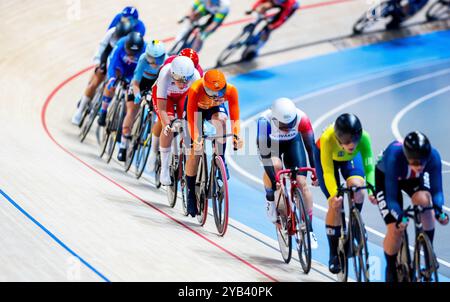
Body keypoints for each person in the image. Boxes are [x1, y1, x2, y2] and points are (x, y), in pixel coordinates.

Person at [375, 131, 449, 282]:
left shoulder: (433, 156)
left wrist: (439, 209)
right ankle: (390, 267)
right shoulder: (394, 157)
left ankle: (428, 252)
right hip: (387, 178)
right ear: (408, 158)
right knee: (395, 229)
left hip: (412, 178)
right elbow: (391, 198)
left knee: (425, 202)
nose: (420, 166)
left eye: (422, 162)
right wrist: (398, 216)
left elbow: (436, 190)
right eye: (415, 162)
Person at [314, 113, 376, 274]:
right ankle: (333, 252)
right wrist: (334, 194)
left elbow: (369, 169)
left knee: (358, 188)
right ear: (338, 137)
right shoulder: (327, 139)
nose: (352, 144)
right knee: (335, 203)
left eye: (354, 140)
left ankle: (354, 225)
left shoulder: (364, 139)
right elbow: (327, 172)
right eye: (347, 141)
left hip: (349, 159)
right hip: (327, 159)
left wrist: (371, 190)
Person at [256, 97, 319, 249]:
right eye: (284, 126)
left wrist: (315, 171)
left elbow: (311, 148)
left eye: (290, 125)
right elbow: (265, 157)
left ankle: (309, 229)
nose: (287, 128)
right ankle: (271, 200)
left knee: (302, 183)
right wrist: (274, 179)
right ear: (275, 119)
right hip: (272, 147)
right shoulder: (264, 122)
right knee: (276, 166)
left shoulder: (302, 119)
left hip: (293, 144)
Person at [185, 69, 244, 217]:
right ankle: (191, 193)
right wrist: (196, 138)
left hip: (213, 110)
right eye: (214, 93)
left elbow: (235, 117)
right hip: (196, 112)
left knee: (222, 121)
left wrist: (237, 135)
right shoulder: (195, 89)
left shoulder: (230, 90)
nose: (218, 96)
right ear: (205, 88)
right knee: (195, 151)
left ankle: (220, 160)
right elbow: (192, 121)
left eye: (221, 92)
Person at [146, 48, 204, 172]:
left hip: (183, 95)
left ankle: (183, 152)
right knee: (165, 122)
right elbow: (161, 105)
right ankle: (153, 150)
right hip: (167, 95)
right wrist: (166, 122)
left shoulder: (197, 74)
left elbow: (196, 106)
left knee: (188, 121)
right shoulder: (168, 68)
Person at [71, 20, 132, 125]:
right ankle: (79, 111)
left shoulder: (129, 40)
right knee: (96, 80)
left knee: (113, 84)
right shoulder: (111, 32)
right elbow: (101, 47)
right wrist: (98, 63)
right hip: (107, 53)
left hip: (118, 59)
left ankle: (104, 103)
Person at [116, 40, 167, 162]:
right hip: (141, 83)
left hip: (156, 85)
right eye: (151, 58)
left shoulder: (166, 62)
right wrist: (137, 94)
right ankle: (123, 144)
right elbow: (136, 82)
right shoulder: (143, 59)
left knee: (158, 112)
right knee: (132, 110)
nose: (154, 63)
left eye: (157, 59)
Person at [97, 32, 146, 127]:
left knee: (130, 96)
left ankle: (121, 118)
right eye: (129, 52)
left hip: (134, 71)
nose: (132, 55)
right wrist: (111, 78)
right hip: (120, 66)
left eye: (134, 53)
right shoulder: (120, 44)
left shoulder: (145, 50)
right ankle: (103, 111)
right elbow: (112, 62)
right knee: (112, 85)